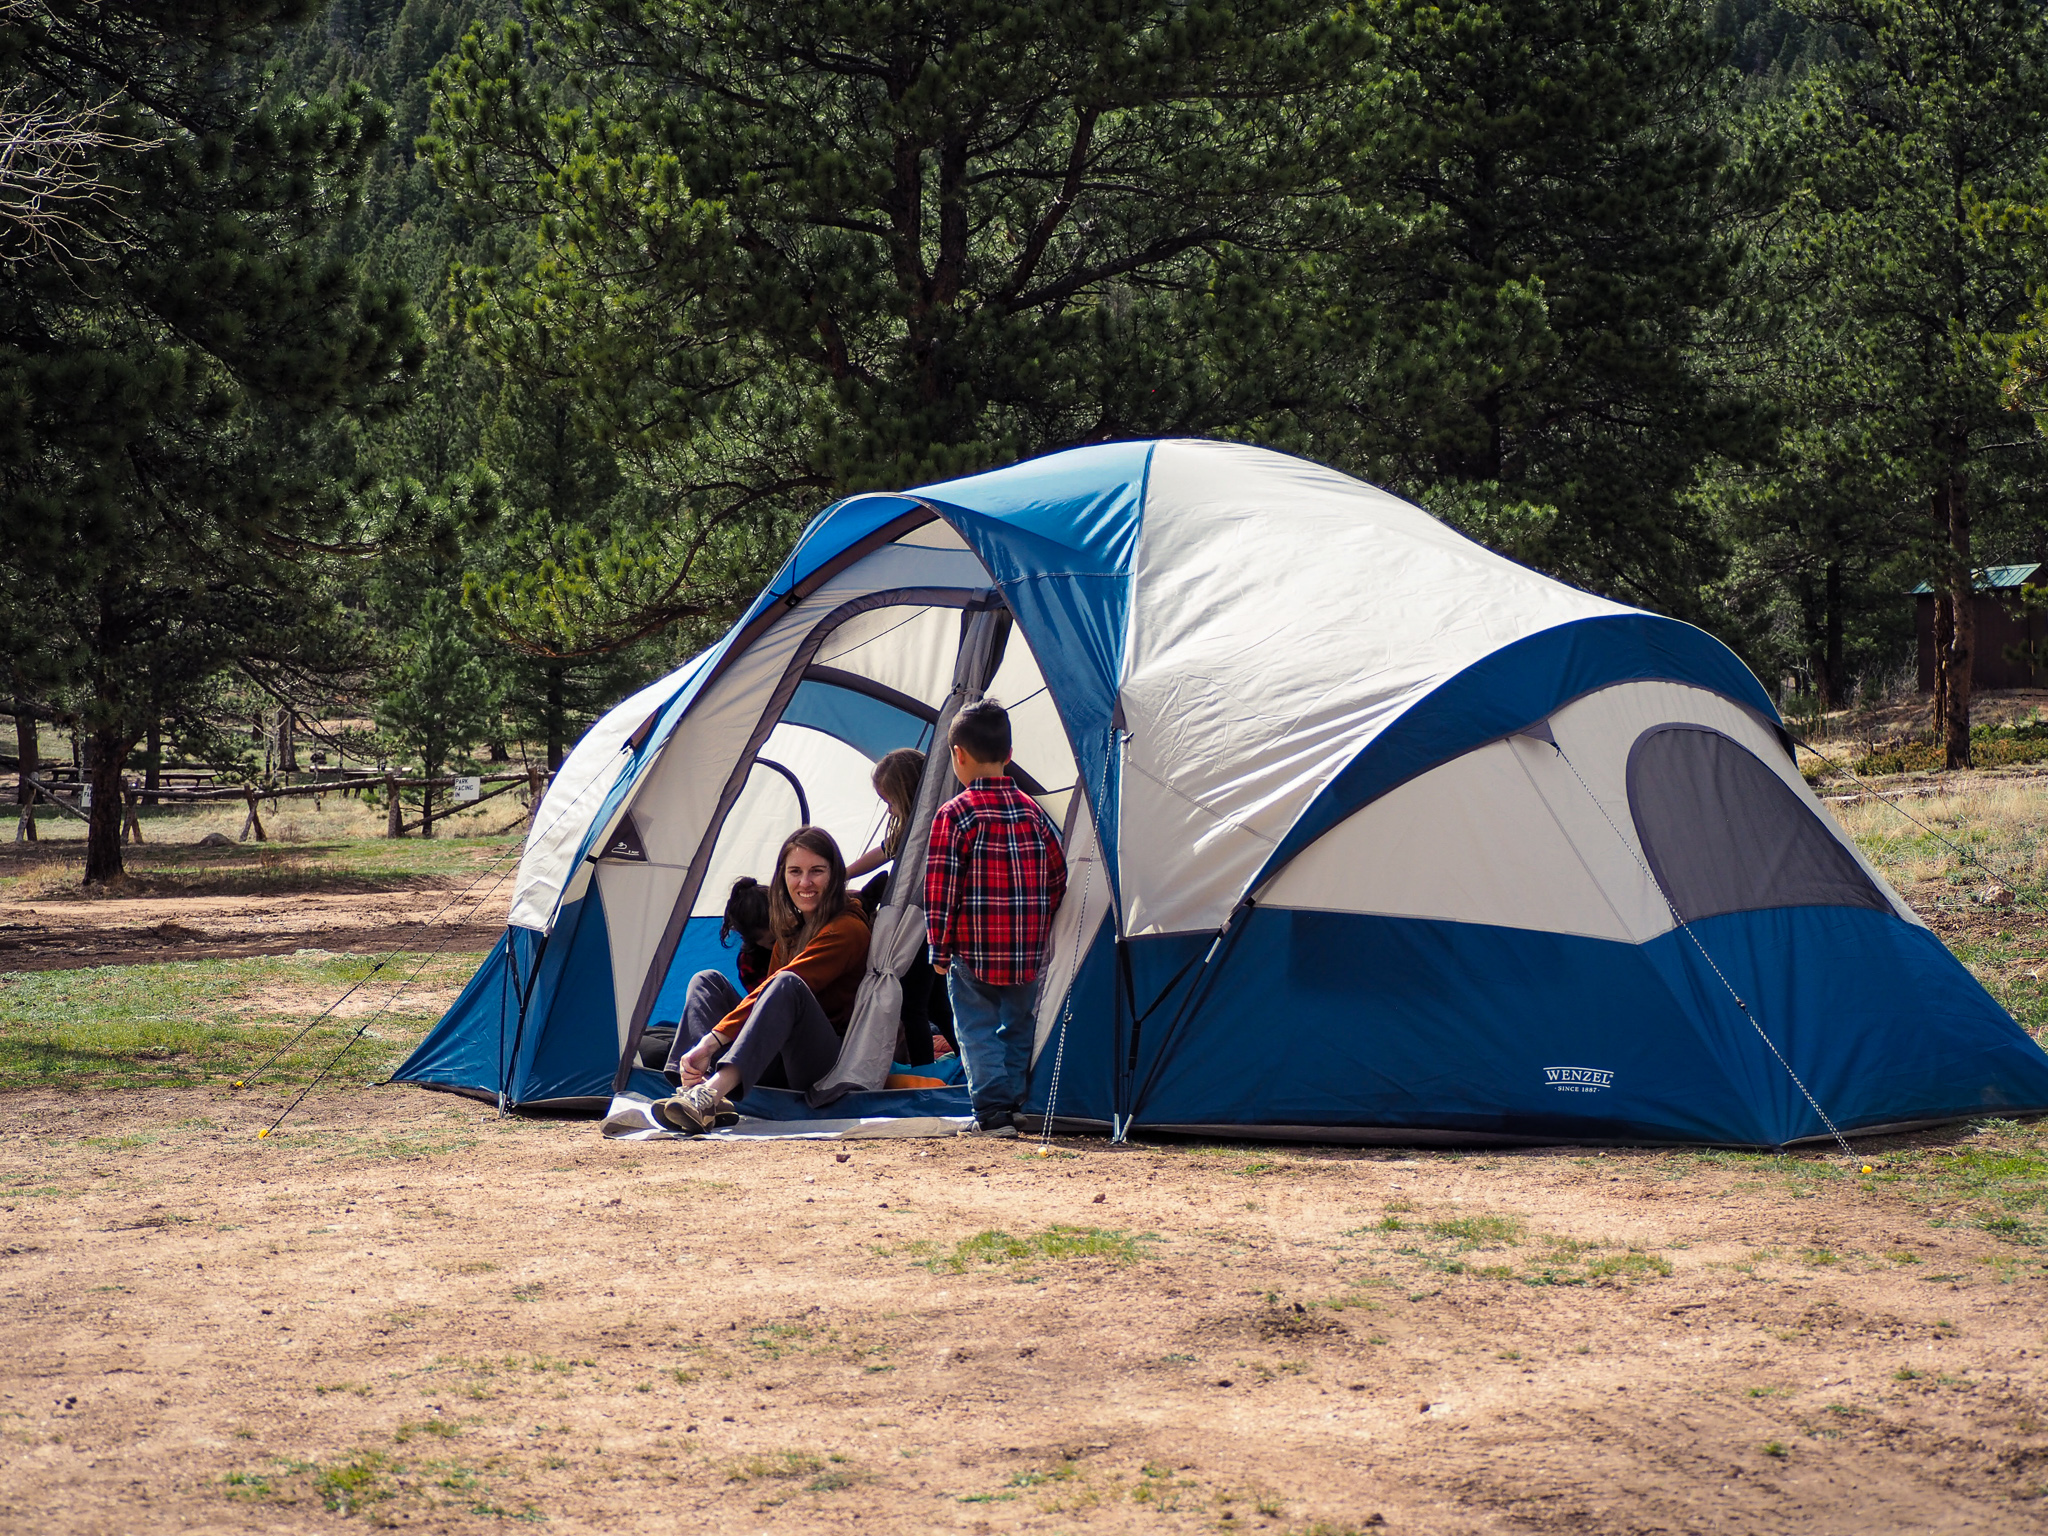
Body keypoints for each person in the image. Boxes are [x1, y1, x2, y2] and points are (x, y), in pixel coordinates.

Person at [652, 827, 871, 1134]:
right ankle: (694, 1091)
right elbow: (765, 1005)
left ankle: (711, 1094)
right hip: (777, 1057)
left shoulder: (847, 929)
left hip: (822, 1064)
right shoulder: (791, 929)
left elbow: (779, 990)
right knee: (707, 980)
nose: (804, 883)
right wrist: (711, 1042)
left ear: (835, 875)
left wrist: (710, 1041)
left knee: (787, 983)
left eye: (816, 872)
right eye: (795, 872)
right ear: (782, 877)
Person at [923, 698, 1066, 1138]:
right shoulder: (1034, 812)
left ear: (958, 755)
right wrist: (1036, 926)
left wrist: (939, 948)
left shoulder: (955, 815)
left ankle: (992, 1112)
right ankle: (1018, 1101)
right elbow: (1057, 877)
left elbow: (940, 889)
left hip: (972, 953)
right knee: (1019, 1024)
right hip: (1025, 953)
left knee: (976, 1030)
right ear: (1009, 755)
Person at [637, 876, 774, 1068]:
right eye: (771, 942)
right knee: (705, 978)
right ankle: (687, 1070)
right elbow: (761, 1006)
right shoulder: (749, 961)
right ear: (750, 939)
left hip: (793, 1034)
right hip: (760, 1026)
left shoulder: (808, 940)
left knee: (784, 983)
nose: (781, 941)